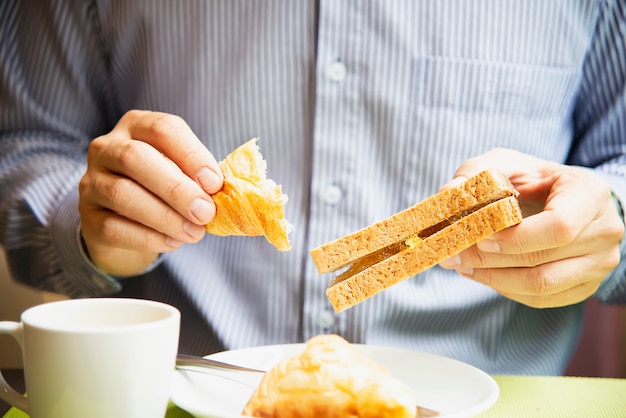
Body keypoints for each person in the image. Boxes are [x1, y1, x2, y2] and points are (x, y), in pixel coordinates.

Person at [1, 1, 625, 375]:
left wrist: (608, 217)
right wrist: (89, 225)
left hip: (494, 396)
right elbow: (24, 143)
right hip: (181, 393)